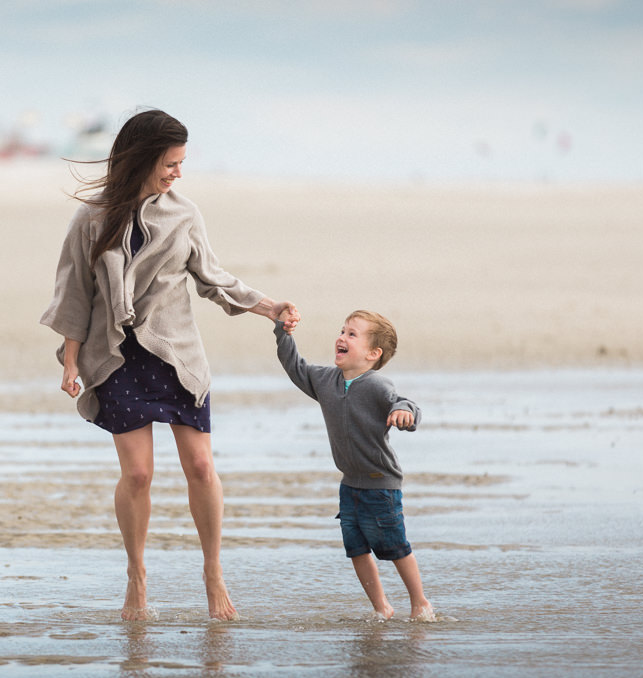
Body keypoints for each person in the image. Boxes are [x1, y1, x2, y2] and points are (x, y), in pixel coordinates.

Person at [41, 109, 299, 621]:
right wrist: (70, 363)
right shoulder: (91, 218)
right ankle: (137, 577)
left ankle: (212, 572)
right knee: (138, 475)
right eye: (171, 163)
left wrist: (269, 306)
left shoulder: (184, 214)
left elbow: (213, 279)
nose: (177, 173)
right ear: (142, 159)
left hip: (176, 353)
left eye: (181, 163)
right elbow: (75, 295)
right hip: (116, 356)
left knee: (200, 466)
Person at [273, 309, 434, 620]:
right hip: (350, 485)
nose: (341, 337)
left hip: (381, 483)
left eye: (351, 334)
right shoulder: (325, 381)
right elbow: (295, 367)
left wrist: (404, 412)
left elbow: (405, 403)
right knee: (356, 548)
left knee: (396, 547)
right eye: (342, 331)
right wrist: (283, 334)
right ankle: (382, 607)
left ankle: (420, 602)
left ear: (373, 354)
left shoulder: (376, 385)